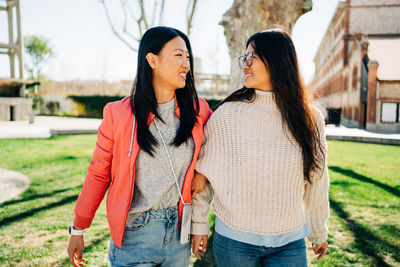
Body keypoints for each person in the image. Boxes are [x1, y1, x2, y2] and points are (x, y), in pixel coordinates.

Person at [67, 26, 212, 267]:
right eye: (178, 55)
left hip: (179, 237)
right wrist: (79, 228)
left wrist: (203, 173)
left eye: (188, 57)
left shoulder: (198, 111)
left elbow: (217, 149)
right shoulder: (118, 114)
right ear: (152, 60)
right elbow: (98, 174)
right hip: (135, 237)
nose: (186, 64)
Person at [190, 27, 330, 267]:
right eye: (243, 58)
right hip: (234, 240)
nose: (245, 64)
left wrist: (318, 229)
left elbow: (317, 178)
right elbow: (204, 176)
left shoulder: (310, 118)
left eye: (251, 57)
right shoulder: (227, 115)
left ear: (276, 60)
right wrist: (199, 224)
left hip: (290, 241)